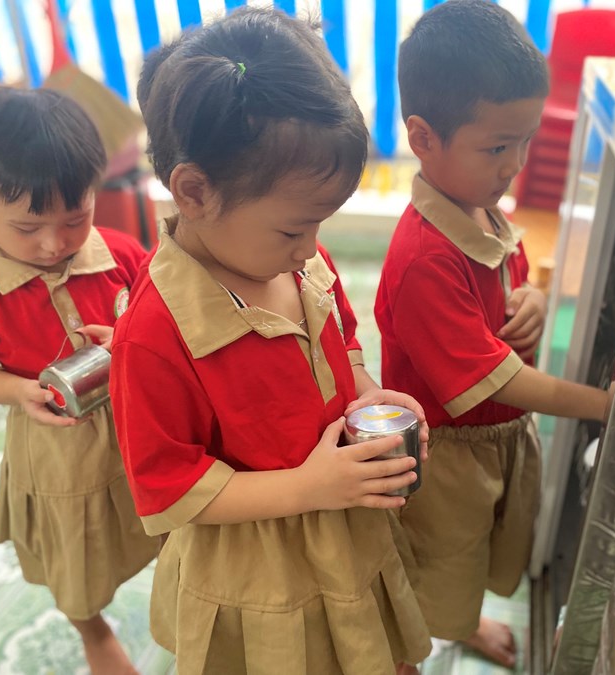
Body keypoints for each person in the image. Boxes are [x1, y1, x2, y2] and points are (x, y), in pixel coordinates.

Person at [110, 8, 431, 674]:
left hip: (343, 524)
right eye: (292, 229)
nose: (311, 248)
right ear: (194, 191)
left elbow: (341, 342)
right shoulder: (155, 334)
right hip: (258, 567)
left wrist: (370, 398)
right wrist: (307, 487)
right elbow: (169, 488)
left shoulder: (298, 262)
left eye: (319, 225)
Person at [374, 0, 613, 668]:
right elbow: (492, 378)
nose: (515, 165)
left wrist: (532, 296)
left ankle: (463, 617)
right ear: (424, 138)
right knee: (435, 560)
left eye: (524, 142)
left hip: (493, 444)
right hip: (447, 457)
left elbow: (509, 281)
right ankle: (406, 654)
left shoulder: (482, 206)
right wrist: (603, 404)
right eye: (497, 147)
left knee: (472, 551)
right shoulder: (424, 258)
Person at [0, 87, 159, 674]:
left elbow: (162, 318)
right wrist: (17, 390)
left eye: (75, 219)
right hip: (59, 449)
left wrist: (130, 336)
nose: (54, 244)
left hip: (140, 424)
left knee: (162, 518)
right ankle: (92, 629)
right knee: (72, 554)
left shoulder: (120, 253)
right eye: (27, 227)